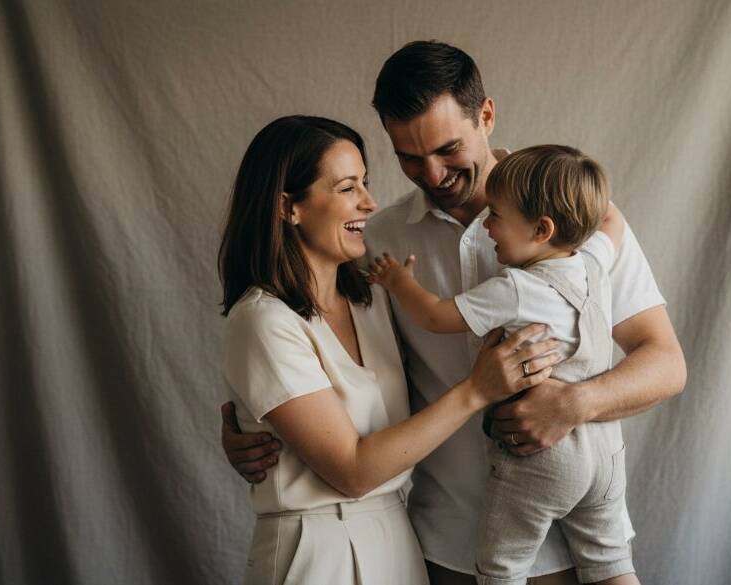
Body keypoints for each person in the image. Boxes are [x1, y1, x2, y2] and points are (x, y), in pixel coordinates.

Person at [221, 41, 687, 585]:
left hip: (571, 542)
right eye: (409, 158)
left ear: (486, 116)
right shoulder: (379, 241)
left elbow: (665, 364)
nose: (434, 173)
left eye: (448, 149)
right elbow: (317, 352)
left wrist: (573, 403)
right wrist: (258, 432)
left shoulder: (573, 221)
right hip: (440, 548)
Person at [219, 114, 559, 585]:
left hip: (398, 541)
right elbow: (352, 471)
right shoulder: (263, 320)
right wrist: (477, 390)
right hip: (317, 554)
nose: (369, 201)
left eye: (366, 182)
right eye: (346, 188)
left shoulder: (372, 298)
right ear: (287, 207)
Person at [369, 144, 640, 585]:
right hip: (606, 453)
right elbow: (612, 220)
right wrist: (580, 193)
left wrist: (400, 282)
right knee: (611, 563)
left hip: (545, 461)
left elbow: (436, 315)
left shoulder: (515, 287)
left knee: (500, 567)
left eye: (495, 215)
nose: (487, 225)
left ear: (541, 228)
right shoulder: (592, 263)